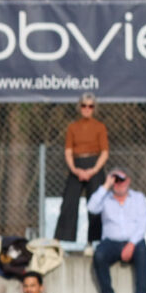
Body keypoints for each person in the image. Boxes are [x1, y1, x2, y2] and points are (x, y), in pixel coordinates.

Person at [88, 169, 146, 293]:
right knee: (99, 254)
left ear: (128, 181)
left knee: (142, 250)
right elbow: (91, 207)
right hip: (111, 242)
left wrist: (131, 244)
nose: (119, 184)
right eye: (115, 181)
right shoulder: (105, 198)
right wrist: (105, 186)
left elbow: (143, 224)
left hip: (134, 241)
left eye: (121, 180)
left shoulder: (138, 198)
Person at [55, 93, 110, 244]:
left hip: (94, 165)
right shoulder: (72, 127)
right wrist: (75, 169)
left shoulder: (100, 127)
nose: (87, 109)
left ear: (94, 108)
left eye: (90, 106)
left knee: (95, 203)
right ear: (79, 107)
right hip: (77, 165)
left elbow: (105, 152)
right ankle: (59, 241)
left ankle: (93, 241)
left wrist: (93, 170)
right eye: (84, 105)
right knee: (69, 202)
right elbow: (68, 151)